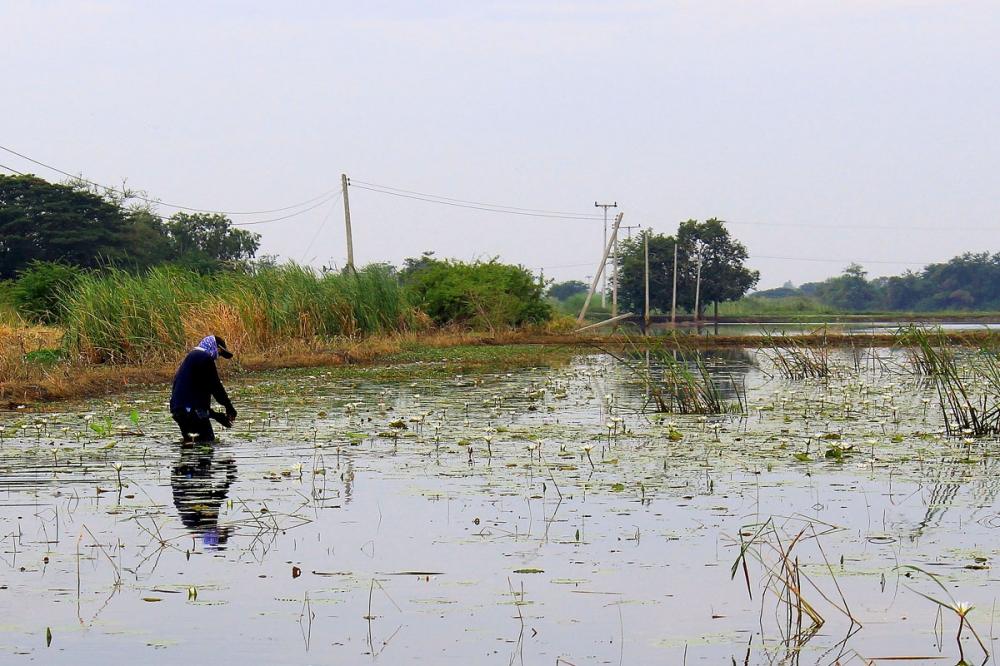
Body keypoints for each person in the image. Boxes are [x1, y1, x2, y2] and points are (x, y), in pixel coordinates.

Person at [169, 335, 238, 442]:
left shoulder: (192, 357)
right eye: (219, 353)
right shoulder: (205, 358)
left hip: (179, 411)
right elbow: (215, 387)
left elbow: (195, 396)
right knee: (207, 444)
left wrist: (216, 416)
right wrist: (229, 407)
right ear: (217, 348)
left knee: (190, 447)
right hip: (190, 412)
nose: (217, 357)